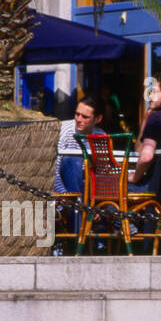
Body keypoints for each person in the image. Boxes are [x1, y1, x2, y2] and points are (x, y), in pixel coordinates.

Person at [54, 97, 106, 236]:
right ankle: (79, 231)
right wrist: (67, 196)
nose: (79, 119)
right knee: (74, 160)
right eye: (77, 114)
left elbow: (104, 173)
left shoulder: (100, 136)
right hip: (64, 188)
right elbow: (54, 171)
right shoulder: (64, 130)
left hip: (89, 191)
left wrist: (95, 202)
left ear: (97, 119)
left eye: (85, 117)